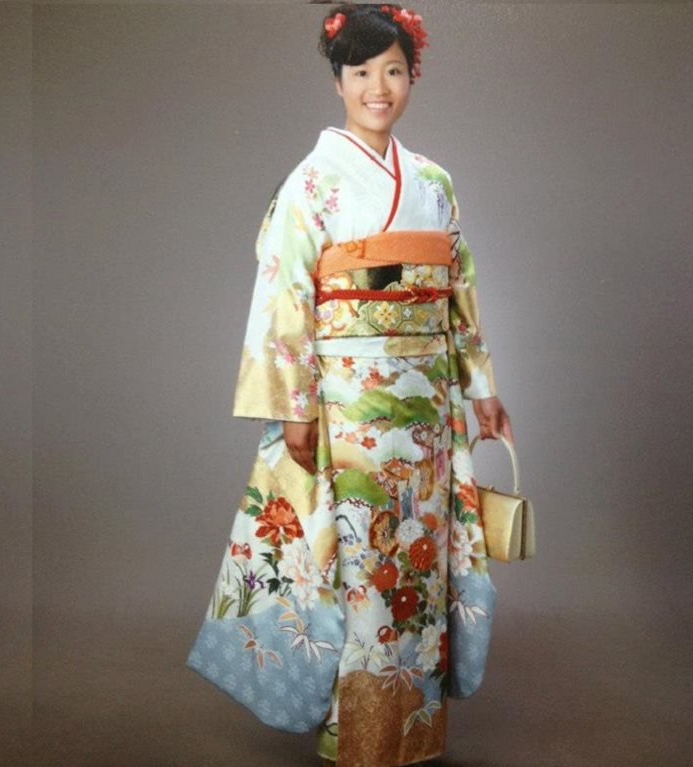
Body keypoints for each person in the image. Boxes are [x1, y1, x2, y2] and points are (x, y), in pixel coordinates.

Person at [186, 4, 514, 766]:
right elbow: (283, 296)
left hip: (427, 403)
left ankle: (413, 729)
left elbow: (458, 290)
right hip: (347, 401)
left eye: (393, 71)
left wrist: (480, 387)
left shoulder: (433, 181)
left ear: (411, 77)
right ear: (337, 81)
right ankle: (356, 733)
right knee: (359, 560)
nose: (378, 88)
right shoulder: (312, 183)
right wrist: (294, 406)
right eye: (361, 72)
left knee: (418, 559)